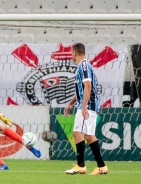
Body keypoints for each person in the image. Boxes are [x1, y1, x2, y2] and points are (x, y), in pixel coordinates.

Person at [64, 43, 108, 175]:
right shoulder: (82, 66)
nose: (71, 55)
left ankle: (80, 165)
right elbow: (82, 89)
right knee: (88, 135)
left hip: (87, 105)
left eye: (71, 53)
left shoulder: (83, 66)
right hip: (86, 104)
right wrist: (71, 103)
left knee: (78, 133)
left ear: (74, 53)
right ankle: (101, 167)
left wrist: (84, 107)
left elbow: (88, 86)